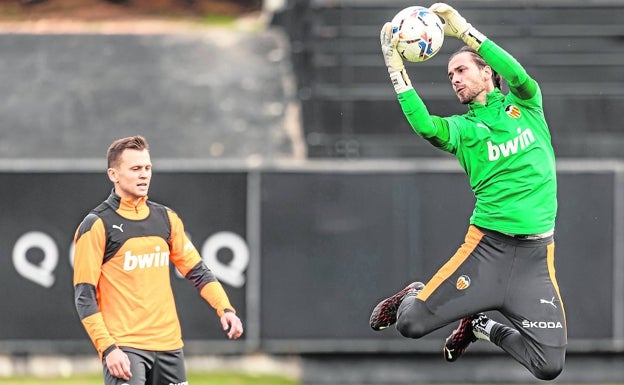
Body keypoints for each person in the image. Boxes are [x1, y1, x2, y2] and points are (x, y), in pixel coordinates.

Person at [369, 3, 566, 381]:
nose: (455, 79)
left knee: (549, 365)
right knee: (408, 324)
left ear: (487, 71)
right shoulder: (462, 130)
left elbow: (518, 74)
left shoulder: (526, 105)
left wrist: (465, 31)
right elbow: (426, 126)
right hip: (486, 251)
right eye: (449, 76)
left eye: (461, 69)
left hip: (535, 261)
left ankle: (479, 327)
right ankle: (414, 292)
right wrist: (396, 67)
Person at [73, 135, 243, 385]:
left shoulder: (166, 218)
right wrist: (108, 349)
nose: (144, 175)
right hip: (125, 348)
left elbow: (198, 271)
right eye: (135, 169)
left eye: (147, 168)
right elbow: (84, 296)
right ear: (113, 174)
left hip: (169, 347)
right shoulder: (97, 224)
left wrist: (225, 308)